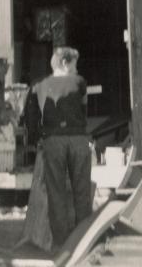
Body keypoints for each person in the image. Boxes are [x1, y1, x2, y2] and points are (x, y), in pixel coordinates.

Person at [25, 47, 92, 249]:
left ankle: (62, 244)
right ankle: (83, 241)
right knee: (82, 192)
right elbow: (84, 110)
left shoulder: (38, 86)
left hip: (53, 141)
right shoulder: (79, 82)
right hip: (78, 140)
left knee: (57, 194)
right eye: (74, 64)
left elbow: (31, 118)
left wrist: (36, 139)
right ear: (65, 63)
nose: (76, 68)